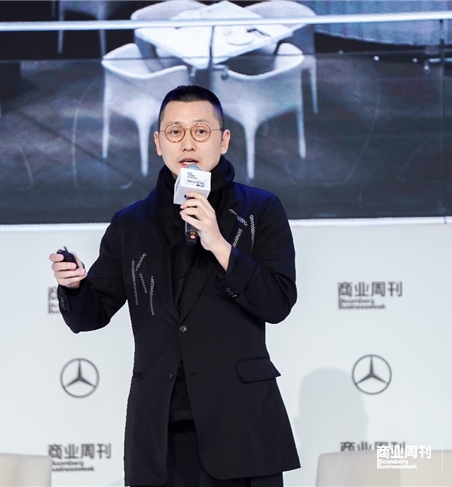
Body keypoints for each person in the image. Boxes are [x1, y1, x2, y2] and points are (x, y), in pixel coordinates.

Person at [50, 85, 300, 487]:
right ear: (158, 143)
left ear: (223, 140)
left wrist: (218, 244)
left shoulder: (260, 210)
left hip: (242, 427)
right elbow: (90, 315)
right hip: (159, 434)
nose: (187, 143)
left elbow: (278, 302)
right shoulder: (131, 224)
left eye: (200, 131)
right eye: (175, 132)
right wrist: (75, 287)